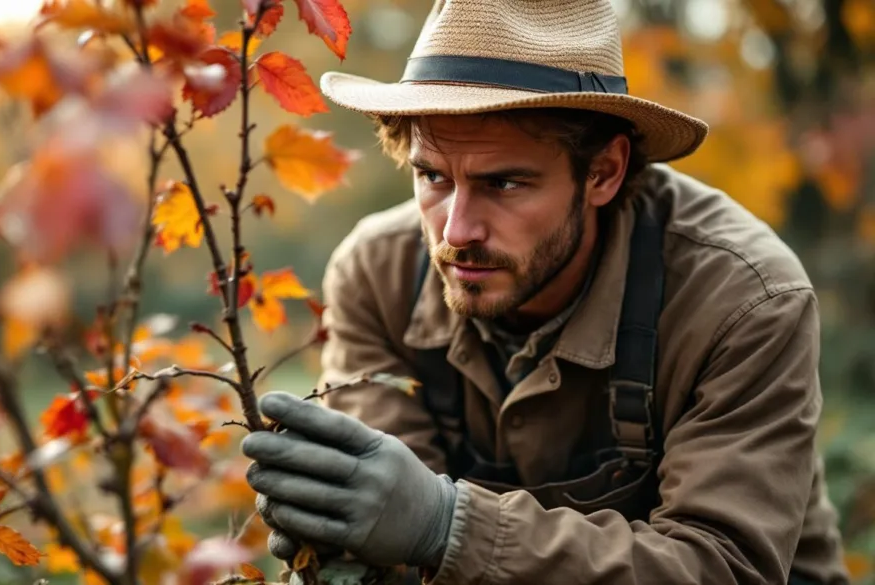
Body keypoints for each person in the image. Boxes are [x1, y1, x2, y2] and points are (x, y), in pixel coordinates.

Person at [239, 0, 851, 583]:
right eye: (432, 176)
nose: (456, 232)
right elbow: (395, 545)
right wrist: (345, 534)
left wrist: (446, 525)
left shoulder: (743, 299)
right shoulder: (378, 275)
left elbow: (725, 568)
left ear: (604, 172)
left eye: (504, 183)